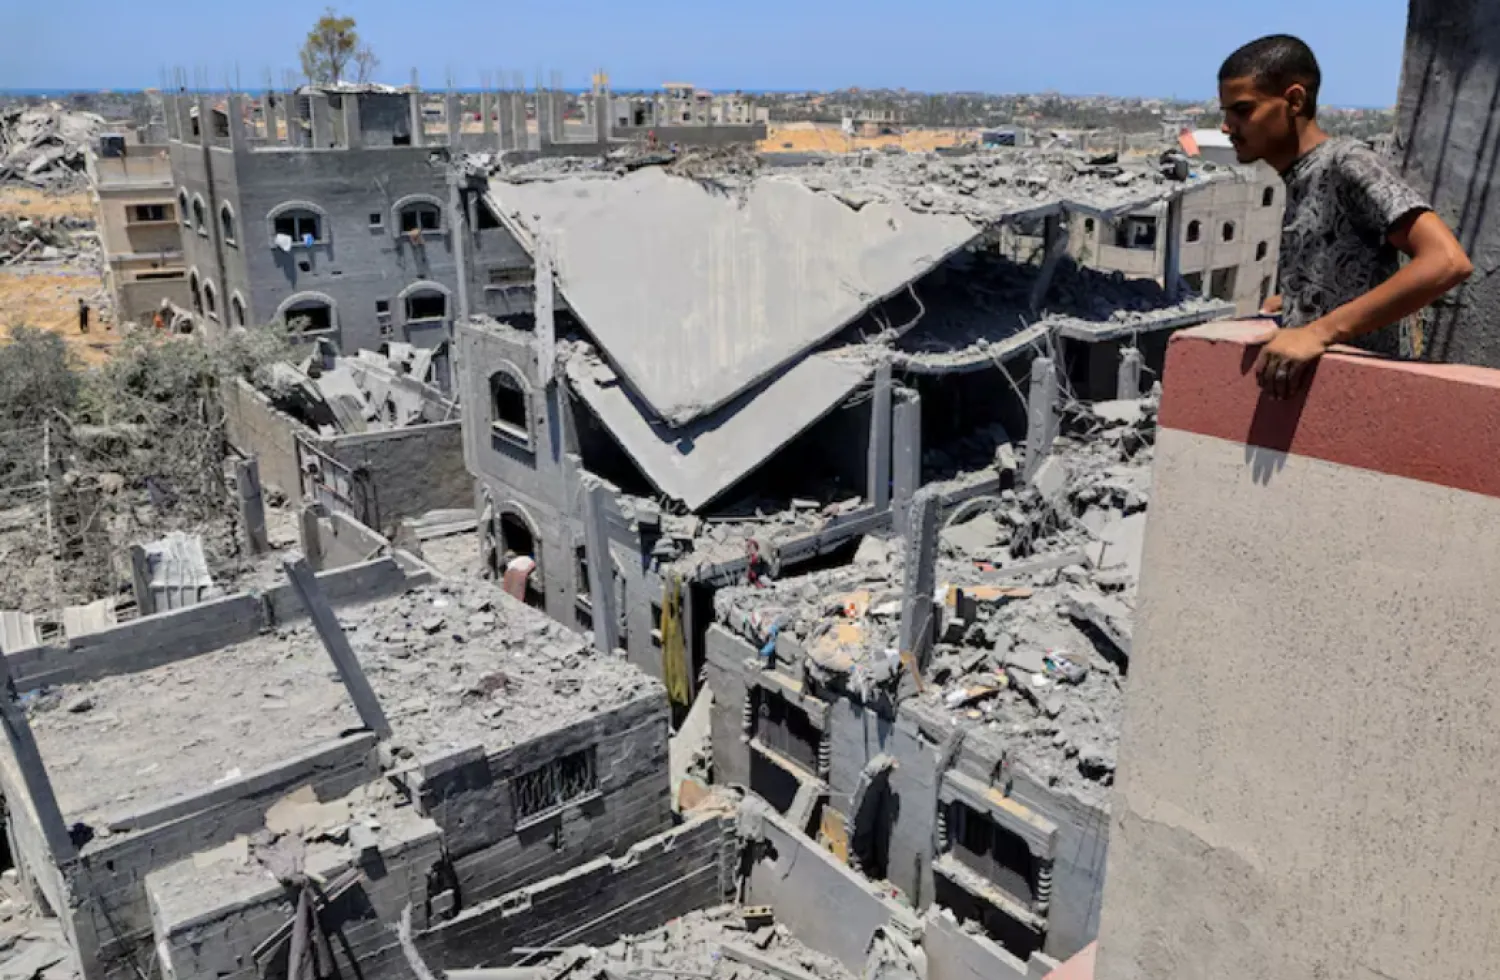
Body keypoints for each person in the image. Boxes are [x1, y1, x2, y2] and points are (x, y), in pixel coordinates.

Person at [1218, 34, 1473, 398]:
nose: (1228, 127)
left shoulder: (1347, 162)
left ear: (1293, 101)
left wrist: (1318, 332)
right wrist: (1298, 302)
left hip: (1369, 402)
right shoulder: (1300, 175)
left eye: (1242, 111)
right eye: (1225, 114)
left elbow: (1447, 262)